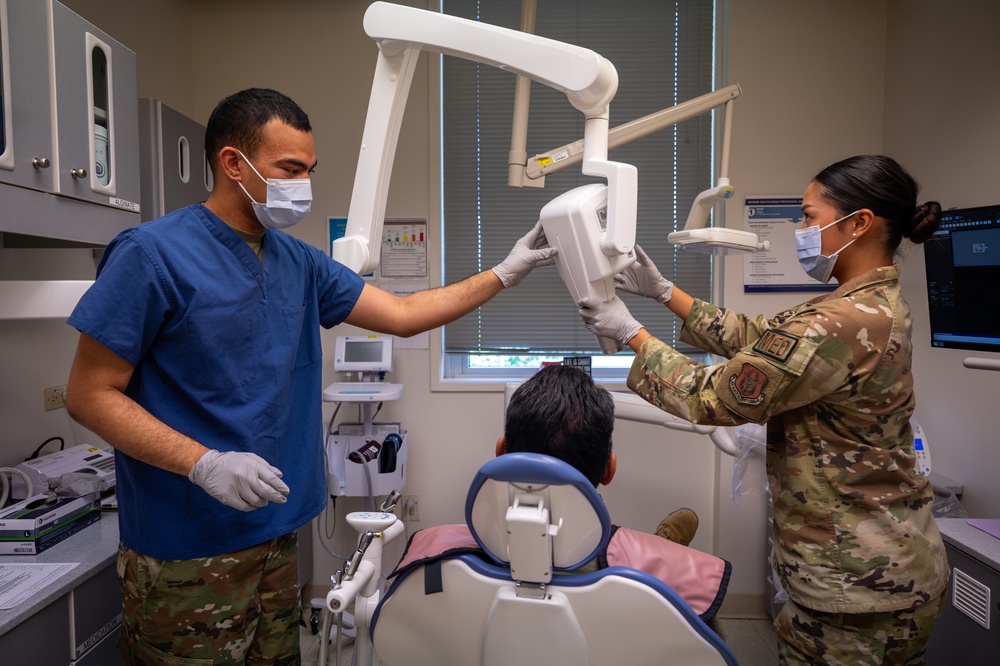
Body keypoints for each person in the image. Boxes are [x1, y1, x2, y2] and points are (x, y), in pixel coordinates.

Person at [63, 88, 556, 665]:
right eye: (290, 169)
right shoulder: (151, 255)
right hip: (185, 549)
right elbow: (88, 394)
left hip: (276, 532)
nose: (303, 185)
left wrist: (502, 273)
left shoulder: (298, 261)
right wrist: (203, 464)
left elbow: (401, 315)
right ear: (233, 163)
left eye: (309, 171)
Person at [578, 154, 949, 665]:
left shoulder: (841, 320)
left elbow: (708, 395)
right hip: (880, 568)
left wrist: (630, 333)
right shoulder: (869, 303)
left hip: (859, 584)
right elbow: (764, 342)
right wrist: (666, 294)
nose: (801, 229)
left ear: (859, 223)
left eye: (810, 217)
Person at [390, 364, 731, 621]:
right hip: (633, 590)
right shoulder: (689, 584)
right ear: (609, 468)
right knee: (653, 563)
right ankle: (661, 547)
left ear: (501, 452)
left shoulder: (433, 559)